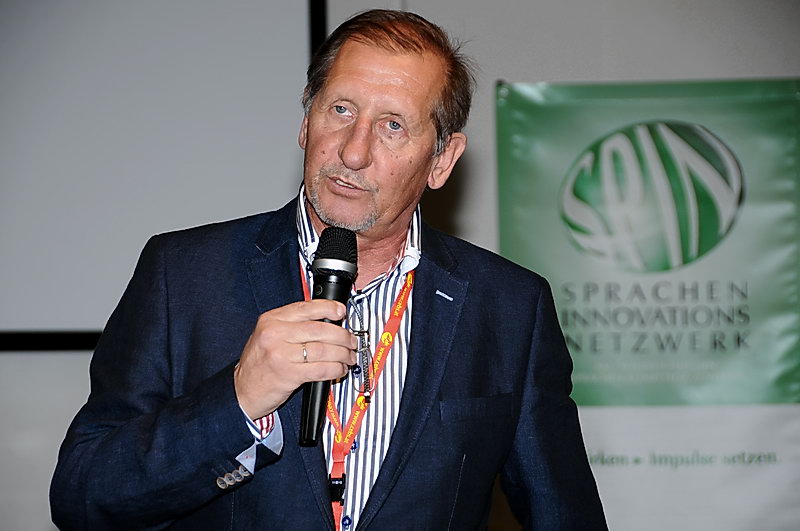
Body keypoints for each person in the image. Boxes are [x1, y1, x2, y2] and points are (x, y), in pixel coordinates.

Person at [51, 9, 606, 530]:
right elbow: (83, 495)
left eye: (393, 126)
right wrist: (237, 400)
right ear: (306, 121)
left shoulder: (509, 307)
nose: (353, 151)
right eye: (341, 110)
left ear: (441, 159)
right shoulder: (184, 276)